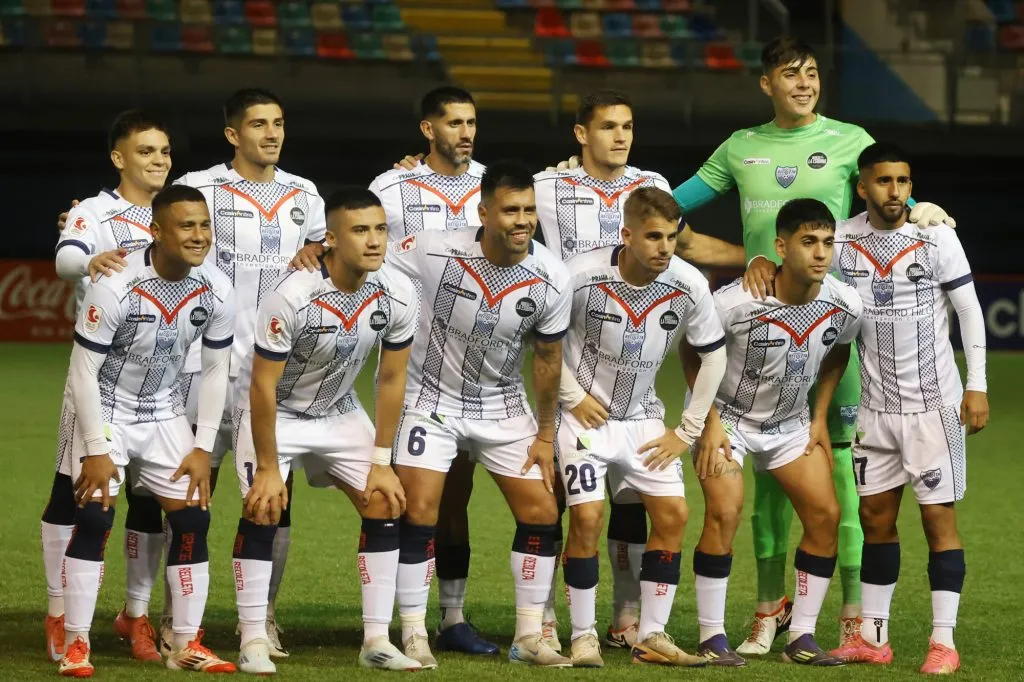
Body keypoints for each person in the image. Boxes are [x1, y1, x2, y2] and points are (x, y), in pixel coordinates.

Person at [670, 37, 956, 655]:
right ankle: (767, 611)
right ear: (766, 83)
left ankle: (853, 615)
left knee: (842, 486)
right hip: (760, 335)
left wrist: (922, 206)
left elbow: (888, 193)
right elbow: (665, 211)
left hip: (834, 335)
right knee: (766, 496)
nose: (804, 83)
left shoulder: (851, 140)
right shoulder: (739, 147)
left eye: (813, 73)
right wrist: (590, 180)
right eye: (789, 74)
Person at [536, 89, 745, 652]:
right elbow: (487, 204)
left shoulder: (652, 189)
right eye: (609, 126)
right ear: (582, 134)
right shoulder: (546, 189)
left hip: (639, 398)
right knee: (566, 512)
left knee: (656, 513)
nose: (622, 136)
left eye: (628, 125)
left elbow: (691, 248)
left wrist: (760, 257)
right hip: (574, 381)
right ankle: (556, 624)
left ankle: (637, 624)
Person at [385, 160, 572, 668]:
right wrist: (320, 248)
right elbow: (370, 256)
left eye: (529, 210)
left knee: (543, 512)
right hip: (432, 401)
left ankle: (530, 636)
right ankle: (414, 631)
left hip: (503, 405)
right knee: (421, 511)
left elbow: (549, 362)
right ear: (483, 212)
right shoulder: (432, 248)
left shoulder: (552, 276)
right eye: (511, 210)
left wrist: (545, 435)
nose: (522, 220)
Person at [230, 188, 421, 673]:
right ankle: (252, 636)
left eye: (380, 229)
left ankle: (376, 639)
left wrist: (381, 460)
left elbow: (392, 379)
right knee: (264, 506)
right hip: (277, 414)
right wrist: (270, 468)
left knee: (386, 500)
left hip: (339, 411)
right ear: (330, 240)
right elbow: (262, 388)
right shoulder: (290, 295)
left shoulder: (397, 293)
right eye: (360, 231)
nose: (375, 240)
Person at [171, 87, 327, 658]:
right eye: (259, 124)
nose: (272, 133)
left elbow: (322, 255)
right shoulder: (202, 187)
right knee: (186, 494)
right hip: (201, 364)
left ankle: (261, 619)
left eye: (279, 123)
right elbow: (156, 232)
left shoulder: (304, 195)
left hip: (271, 374)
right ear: (233, 134)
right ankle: (175, 619)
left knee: (273, 495)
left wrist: (317, 251)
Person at [57, 185, 236, 677]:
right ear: (156, 231)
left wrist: (202, 446)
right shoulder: (116, 283)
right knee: (95, 520)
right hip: (107, 411)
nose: (199, 235)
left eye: (204, 224)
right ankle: (76, 644)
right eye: (186, 225)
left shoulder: (217, 286)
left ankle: (186, 643)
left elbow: (216, 370)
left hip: (164, 412)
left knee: (194, 520)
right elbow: (82, 372)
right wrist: (96, 448)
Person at [826, 143, 987, 674]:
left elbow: (968, 310)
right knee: (875, 519)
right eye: (884, 182)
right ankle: (874, 638)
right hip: (873, 410)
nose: (895, 191)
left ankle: (944, 641)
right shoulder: (842, 239)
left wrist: (977, 385)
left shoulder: (935, 235)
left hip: (933, 408)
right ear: (862, 187)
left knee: (938, 518)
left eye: (904, 181)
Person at [682, 197, 863, 666]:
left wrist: (820, 416)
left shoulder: (844, 303)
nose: (821, 252)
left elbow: (840, 352)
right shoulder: (736, 301)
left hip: (790, 426)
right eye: (808, 242)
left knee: (825, 516)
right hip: (727, 420)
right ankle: (711, 637)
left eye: (827, 242)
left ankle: (800, 637)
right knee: (724, 513)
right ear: (781, 247)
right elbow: (691, 348)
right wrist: (709, 422)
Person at [558, 187, 725, 668]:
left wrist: (686, 431)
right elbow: (543, 341)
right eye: (653, 237)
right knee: (587, 519)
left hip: (645, 419)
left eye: (672, 237)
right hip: (583, 420)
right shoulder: (581, 275)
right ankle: (584, 635)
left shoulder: (688, 283)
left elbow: (713, 355)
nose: (664, 248)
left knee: (673, 516)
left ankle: (650, 635)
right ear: (627, 234)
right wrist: (574, 397)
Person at [366, 87, 496, 656]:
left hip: (477, 364)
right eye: (454, 123)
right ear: (427, 129)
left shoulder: (492, 186)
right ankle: (398, 620)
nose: (465, 132)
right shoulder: (390, 187)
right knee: (406, 495)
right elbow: (356, 245)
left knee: (457, 496)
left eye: (471, 123)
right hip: (410, 359)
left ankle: (452, 616)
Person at [45, 110, 171, 664]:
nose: (159, 161)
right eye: (146, 152)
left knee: (152, 505)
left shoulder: (185, 211)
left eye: (164, 151)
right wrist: (88, 258)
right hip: (100, 379)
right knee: (73, 497)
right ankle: (58, 613)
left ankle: (135, 616)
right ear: (120, 158)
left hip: (169, 382)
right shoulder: (94, 212)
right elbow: (66, 258)